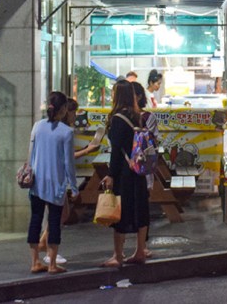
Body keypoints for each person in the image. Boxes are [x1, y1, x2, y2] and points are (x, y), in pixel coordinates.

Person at [39, 98, 98, 263]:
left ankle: (44, 245)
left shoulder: (44, 127)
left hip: (47, 176)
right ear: (65, 111)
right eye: (73, 112)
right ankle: (49, 252)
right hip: (55, 177)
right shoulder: (63, 131)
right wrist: (87, 151)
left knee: (60, 214)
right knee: (59, 214)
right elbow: (67, 159)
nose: (75, 116)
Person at [101, 80, 151, 266]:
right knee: (140, 208)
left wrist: (111, 174)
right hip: (138, 169)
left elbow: (116, 151)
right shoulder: (138, 116)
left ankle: (118, 255)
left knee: (120, 211)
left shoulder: (117, 119)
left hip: (124, 171)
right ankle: (140, 251)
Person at [26, 91, 77, 274]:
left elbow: (31, 154)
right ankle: (52, 264)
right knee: (54, 222)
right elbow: (68, 163)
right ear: (63, 109)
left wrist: (29, 173)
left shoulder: (37, 126)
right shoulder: (67, 132)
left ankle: (35, 262)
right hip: (56, 184)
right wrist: (74, 186)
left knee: (35, 220)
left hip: (37, 182)